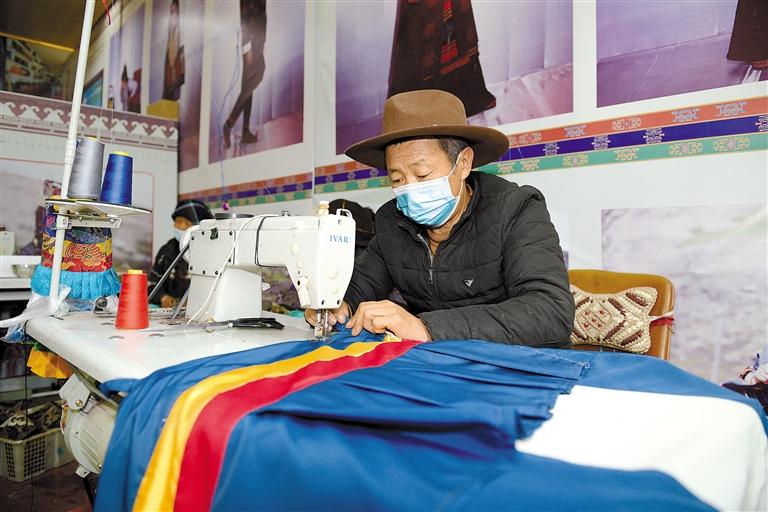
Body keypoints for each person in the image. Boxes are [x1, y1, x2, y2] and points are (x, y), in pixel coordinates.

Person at [306, 89, 574, 347]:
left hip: (513, 364)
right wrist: (335, 304)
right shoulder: (392, 221)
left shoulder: (516, 209)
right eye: (397, 178)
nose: (410, 189)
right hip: (436, 363)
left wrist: (425, 327)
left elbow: (551, 312)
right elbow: (363, 283)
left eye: (422, 174)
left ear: (464, 163)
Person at [149, 199, 213, 308]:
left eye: (187, 223)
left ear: (199, 227)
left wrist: (192, 302)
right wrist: (163, 298)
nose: (181, 227)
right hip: (170, 312)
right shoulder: (166, 251)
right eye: (178, 221)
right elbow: (151, 283)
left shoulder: (211, 253)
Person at [223, 0, 267, 149]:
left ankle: (245, 131)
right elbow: (245, 17)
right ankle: (230, 124)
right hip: (252, 45)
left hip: (256, 43)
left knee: (248, 88)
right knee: (256, 76)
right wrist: (247, 48)